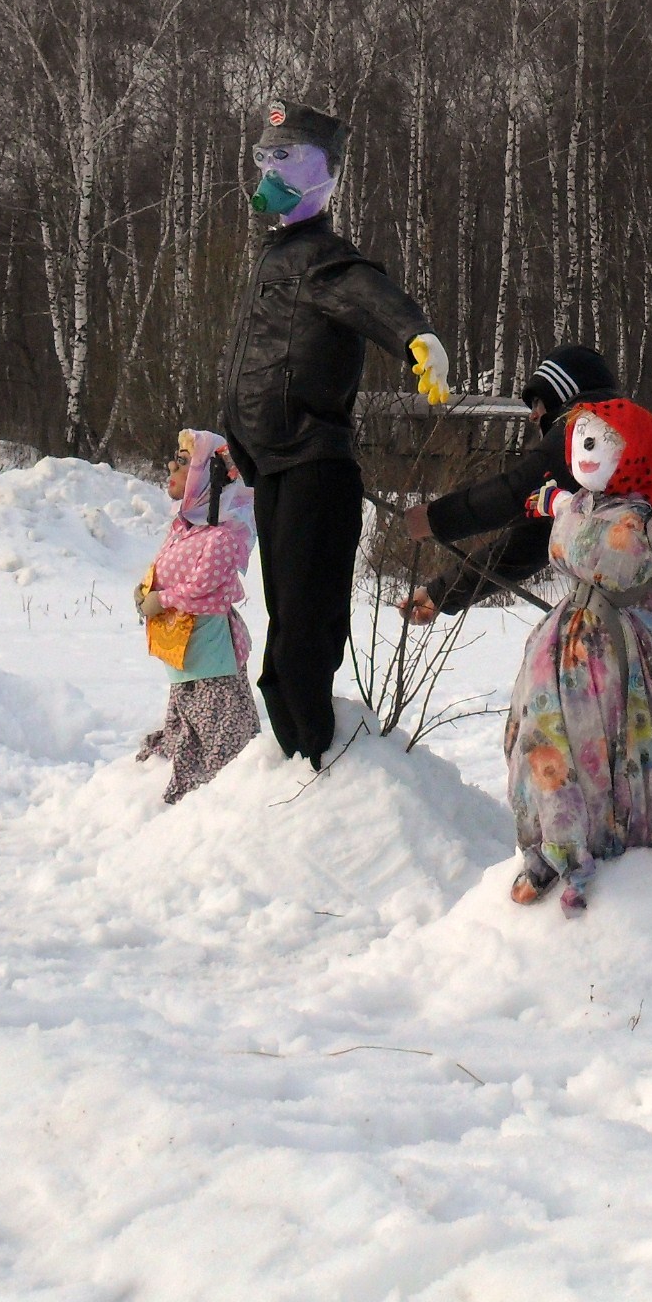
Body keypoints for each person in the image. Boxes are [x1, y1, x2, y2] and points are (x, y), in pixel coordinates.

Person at [402, 344, 652, 911]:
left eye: (538, 402)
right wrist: (443, 593)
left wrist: (431, 519)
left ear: (566, 397)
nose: (533, 417)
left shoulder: (591, 425)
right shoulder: (591, 473)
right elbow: (526, 542)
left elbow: (511, 493)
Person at [221, 100, 452, 769]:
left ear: (326, 172)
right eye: (265, 158)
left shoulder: (320, 258)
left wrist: (415, 335)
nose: (271, 172)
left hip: (314, 462)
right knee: (284, 626)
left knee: (302, 628)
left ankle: (319, 760)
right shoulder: (276, 257)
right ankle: (300, 759)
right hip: (275, 464)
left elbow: (366, 293)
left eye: (287, 158)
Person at [501, 399, 652, 917]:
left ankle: (625, 844)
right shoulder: (576, 503)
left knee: (628, 735)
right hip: (564, 642)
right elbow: (558, 502)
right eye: (580, 440)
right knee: (545, 732)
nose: (584, 453)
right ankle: (556, 841)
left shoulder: (639, 516)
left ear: (632, 453)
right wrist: (545, 500)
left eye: (599, 443)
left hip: (630, 641)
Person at [134, 432, 261, 804]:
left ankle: (219, 810)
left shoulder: (221, 537)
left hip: (210, 663)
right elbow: (163, 573)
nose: (171, 465)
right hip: (185, 657)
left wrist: (160, 600)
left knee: (219, 753)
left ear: (209, 476)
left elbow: (202, 589)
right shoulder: (184, 529)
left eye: (184, 461)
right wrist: (144, 590)